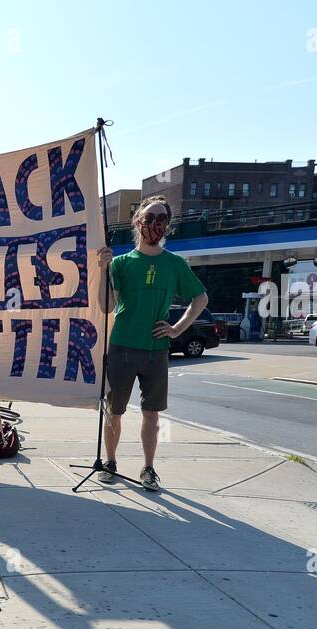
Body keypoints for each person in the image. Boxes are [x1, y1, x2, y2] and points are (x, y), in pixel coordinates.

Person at [95, 196, 208, 492]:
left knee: (151, 413)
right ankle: (110, 461)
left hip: (156, 350)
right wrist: (102, 272)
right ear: (137, 222)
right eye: (149, 218)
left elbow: (200, 298)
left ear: (167, 226)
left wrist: (177, 328)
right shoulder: (120, 263)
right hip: (121, 346)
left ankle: (148, 467)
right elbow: (106, 306)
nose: (154, 224)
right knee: (113, 410)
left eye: (161, 219)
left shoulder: (174, 264)